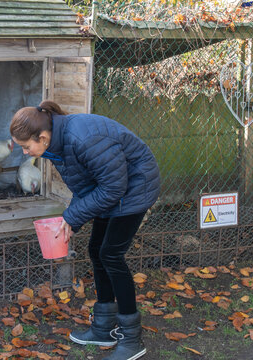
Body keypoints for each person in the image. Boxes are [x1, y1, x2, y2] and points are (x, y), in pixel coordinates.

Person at [10, 100, 160, 360]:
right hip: (112, 189)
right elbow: (86, 186)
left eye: (26, 146)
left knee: (111, 255)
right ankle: (104, 325)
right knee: (96, 250)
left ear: (42, 137)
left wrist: (72, 216)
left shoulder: (82, 138)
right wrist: (72, 221)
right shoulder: (55, 146)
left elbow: (113, 187)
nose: (25, 152)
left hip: (135, 188)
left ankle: (132, 339)